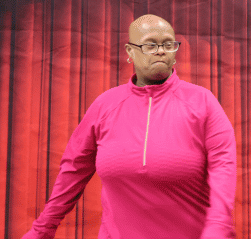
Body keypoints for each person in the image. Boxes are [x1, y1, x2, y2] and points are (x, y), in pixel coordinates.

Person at [22, 14, 237, 239]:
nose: (161, 51)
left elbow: (223, 167)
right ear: (130, 52)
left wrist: (219, 228)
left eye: (168, 44)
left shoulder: (202, 101)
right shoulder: (105, 105)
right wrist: (42, 230)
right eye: (151, 45)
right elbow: (73, 171)